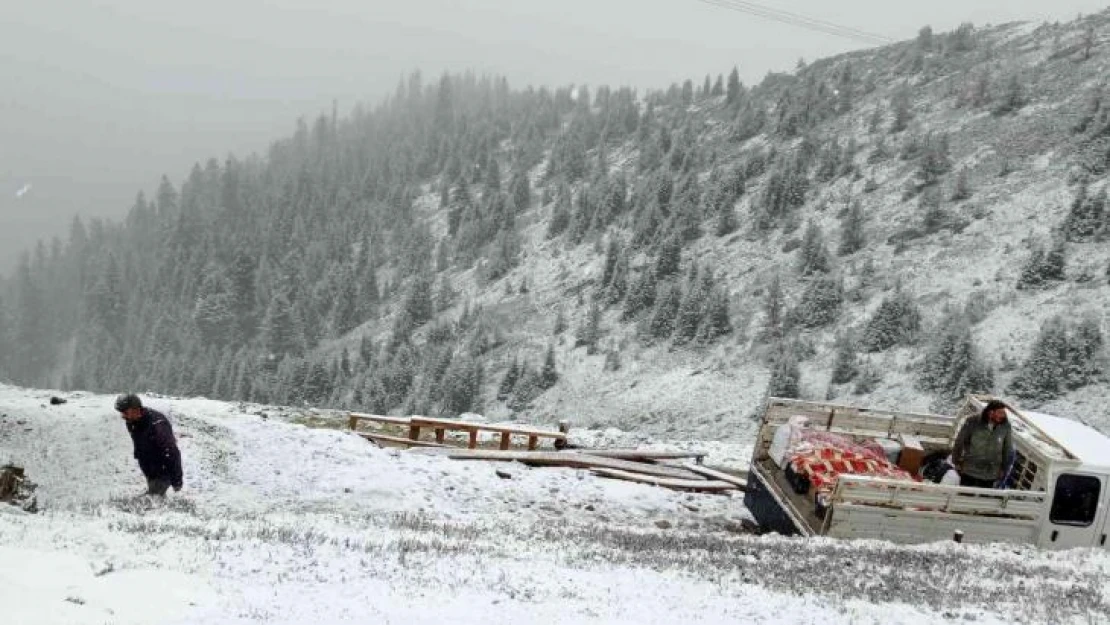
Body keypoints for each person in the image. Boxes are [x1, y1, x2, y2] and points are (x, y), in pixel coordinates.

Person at [115, 393, 183, 496]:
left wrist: (177, 480)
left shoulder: (157, 424)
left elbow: (172, 452)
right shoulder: (132, 422)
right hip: (150, 468)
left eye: (125, 412)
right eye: (121, 413)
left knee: (150, 500)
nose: (123, 416)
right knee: (156, 500)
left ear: (136, 409)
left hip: (164, 469)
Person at [951, 399, 1013, 489]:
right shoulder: (973, 421)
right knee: (965, 498)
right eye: (1000, 412)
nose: (1003, 416)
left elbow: (1007, 448)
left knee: (984, 500)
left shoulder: (1005, 426)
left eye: (1004, 413)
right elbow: (960, 441)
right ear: (990, 412)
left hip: (991, 473)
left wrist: (1004, 469)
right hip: (970, 469)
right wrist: (956, 461)